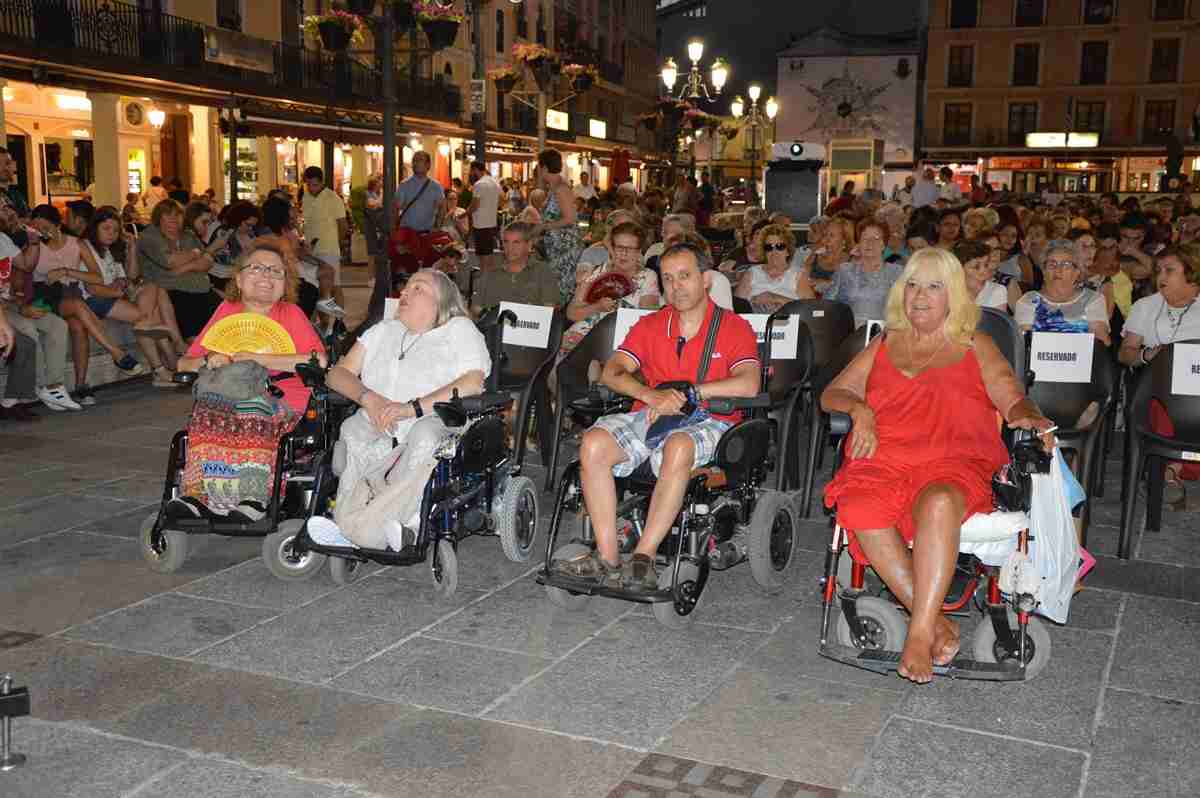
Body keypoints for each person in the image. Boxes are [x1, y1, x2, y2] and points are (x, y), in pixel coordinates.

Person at [821, 247, 1054, 682]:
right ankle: (935, 624)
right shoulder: (885, 342)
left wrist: (1030, 417)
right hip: (885, 457)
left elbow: (1011, 397)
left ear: (953, 296)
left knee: (940, 502)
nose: (920, 295)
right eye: (912, 285)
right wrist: (860, 410)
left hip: (954, 458)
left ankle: (917, 634)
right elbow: (834, 392)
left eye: (933, 286)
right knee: (859, 504)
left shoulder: (976, 345)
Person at [557, 241, 760, 588]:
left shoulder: (733, 327)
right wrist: (650, 395)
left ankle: (644, 557)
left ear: (706, 279)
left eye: (685, 276)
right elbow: (612, 372)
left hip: (712, 419)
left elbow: (749, 383)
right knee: (593, 443)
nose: (676, 286)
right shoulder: (651, 325)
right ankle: (607, 555)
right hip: (651, 414)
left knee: (678, 445)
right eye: (668, 278)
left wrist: (690, 393)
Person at [325, 269, 491, 549]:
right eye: (406, 287)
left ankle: (400, 524)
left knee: (424, 435)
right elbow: (337, 374)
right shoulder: (383, 331)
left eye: (418, 288)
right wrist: (368, 398)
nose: (404, 292)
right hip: (381, 418)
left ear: (441, 301)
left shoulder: (458, 329)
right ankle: (349, 522)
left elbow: (472, 381)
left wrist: (411, 409)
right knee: (353, 427)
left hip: (436, 418)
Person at [174, 241, 326, 518]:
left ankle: (254, 498)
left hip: (281, 399)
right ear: (239, 279)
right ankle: (196, 495)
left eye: (276, 271)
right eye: (257, 268)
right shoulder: (226, 310)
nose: (266, 275)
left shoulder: (290, 313)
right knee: (208, 405)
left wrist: (259, 359)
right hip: (227, 395)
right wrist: (210, 359)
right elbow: (184, 363)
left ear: (284, 284)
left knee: (252, 405)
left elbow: (320, 361)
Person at [27, 204, 146, 391]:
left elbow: (96, 277)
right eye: (35, 228)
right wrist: (32, 244)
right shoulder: (33, 246)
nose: (41, 232)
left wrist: (66, 271)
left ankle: (81, 386)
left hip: (70, 293)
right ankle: (117, 353)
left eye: (45, 227)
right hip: (45, 295)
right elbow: (25, 269)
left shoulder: (76, 244)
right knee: (77, 305)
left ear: (57, 224)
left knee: (78, 326)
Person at [1118, 243, 1200, 506]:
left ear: (1190, 273)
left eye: (1169, 270)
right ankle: (1171, 471)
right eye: (1158, 271)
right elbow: (1125, 353)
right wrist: (1146, 355)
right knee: (1159, 398)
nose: (1160, 277)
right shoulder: (1146, 306)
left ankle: (1172, 470)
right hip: (1158, 389)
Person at [78, 208, 178, 388]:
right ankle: (165, 364)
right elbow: (91, 288)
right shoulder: (85, 247)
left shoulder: (109, 249)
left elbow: (131, 276)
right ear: (95, 228)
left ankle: (164, 364)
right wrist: (118, 291)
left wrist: (132, 247)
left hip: (116, 295)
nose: (111, 234)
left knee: (153, 288)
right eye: (106, 228)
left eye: (116, 230)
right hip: (95, 299)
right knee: (146, 316)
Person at [0, 210, 77, 411]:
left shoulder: (3, 239)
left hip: (10, 303)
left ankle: (54, 386)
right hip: (5, 308)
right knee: (28, 329)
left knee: (58, 325)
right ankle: (42, 386)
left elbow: (25, 266)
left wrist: (34, 241)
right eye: (3, 208)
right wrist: (21, 307)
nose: (7, 211)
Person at [559, 221, 662, 369]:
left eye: (630, 249)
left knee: (592, 366)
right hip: (581, 337)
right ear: (612, 249)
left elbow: (647, 319)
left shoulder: (648, 277)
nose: (623, 253)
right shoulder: (596, 272)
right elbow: (571, 313)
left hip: (619, 341)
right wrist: (597, 307)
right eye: (619, 247)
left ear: (639, 251)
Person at [136, 199, 222, 340]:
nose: (173, 219)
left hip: (200, 287)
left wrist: (187, 266)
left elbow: (207, 262)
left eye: (177, 214)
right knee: (197, 337)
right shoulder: (149, 236)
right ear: (158, 217)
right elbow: (170, 261)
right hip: (173, 291)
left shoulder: (188, 235)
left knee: (225, 326)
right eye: (167, 214)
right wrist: (195, 254)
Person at [799, 219, 904, 327]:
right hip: (849, 331)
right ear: (859, 243)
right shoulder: (845, 270)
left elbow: (903, 309)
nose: (869, 243)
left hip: (884, 331)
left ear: (884, 244)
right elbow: (827, 303)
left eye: (876, 238)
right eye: (865, 238)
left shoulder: (896, 272)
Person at [1014, 239, 1110, 345]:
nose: (1058, 270)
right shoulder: (1028, 300)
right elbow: (1023, 344)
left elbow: (1101, 342)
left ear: (1077, 271)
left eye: (1066, 265)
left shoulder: (1092, 299)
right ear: (1044, 271)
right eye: (1052, 264)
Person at [470, 221, 559, 315]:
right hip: (493, 323)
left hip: (531, 322)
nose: (510, 248)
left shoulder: (542, 271)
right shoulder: (490, 273)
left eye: (516, 242)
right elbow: (475, 309)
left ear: (529, 245)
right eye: (506, 242)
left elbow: (549, 311)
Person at [535, 149, 584, 303]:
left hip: (565, 249)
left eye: (538, 166)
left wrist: (544, 227)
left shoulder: (561, 189)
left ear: (544, 167)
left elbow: (570, 218)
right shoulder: (555, 187)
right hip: (558, 247)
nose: (537, 170)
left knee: (561, 291)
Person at [300, 167, 347, 317]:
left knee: (335, 286)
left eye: (315, 185)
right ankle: (324, 321)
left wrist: (338, 244)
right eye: (308, 185)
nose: (311, 188)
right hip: (310, 251)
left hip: (329, 249)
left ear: (322, 182)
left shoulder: (333, 198)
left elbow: (343, 225)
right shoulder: (305, 197)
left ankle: (339, 321)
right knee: (318, 288)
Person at [735, 224, 803, 312]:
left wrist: (775, 297)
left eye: (780, 246)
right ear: (764, 252)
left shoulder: (798, 275)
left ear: (788, 251)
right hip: (756, 318)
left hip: (788, 319)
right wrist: (753, 301)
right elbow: (736, 307)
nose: (774, 252)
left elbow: (810, 309)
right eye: (768, 247)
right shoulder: (752, 273)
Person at [188, 199, 242, 294]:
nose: (207, 227)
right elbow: (193, 266)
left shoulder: (196, 238)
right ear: (192, 219)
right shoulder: (186, 237)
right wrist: (213, 247)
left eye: (209, 223)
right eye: (204, 222)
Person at [954, 239, 1013, 312]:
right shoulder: (951, 291)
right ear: (960, 269)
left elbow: (995, 319)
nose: (983, 270)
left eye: (986, 264)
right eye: (976, 267)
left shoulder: (997, 290)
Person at [468, 161, 501, 272]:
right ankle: (489, 279)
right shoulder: (494, 182)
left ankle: (484, 280)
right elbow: (502, 199)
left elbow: (474, 206)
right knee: (489, 255)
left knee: (483, 258)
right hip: (492, 224)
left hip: (481, 225)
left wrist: (464, 214)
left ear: (475, 170)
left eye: (471, 171)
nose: (470, 174)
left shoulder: (479, 184)